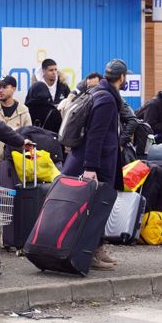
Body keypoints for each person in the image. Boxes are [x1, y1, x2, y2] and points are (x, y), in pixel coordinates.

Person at [61, 59, 129, 270]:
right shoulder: (107, 99)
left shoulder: (98, 92)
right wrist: (91, 169)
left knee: (99, 208)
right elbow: (96, 136)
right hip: (95, 164)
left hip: (94, 160)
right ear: (122, 77)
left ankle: (97, 249)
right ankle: (89, 254)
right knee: (94, 209)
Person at [0, 75, 33, 185]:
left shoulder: (24, 112)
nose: (0, 90)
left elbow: (29, 137)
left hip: (14, 166)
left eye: (4, 87)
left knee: (10, 200)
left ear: (14, 89)